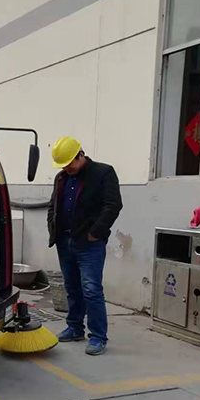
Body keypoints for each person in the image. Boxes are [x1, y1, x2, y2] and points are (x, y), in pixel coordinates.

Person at [47, 137, 123, 356]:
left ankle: (98, 336)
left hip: (89, 244)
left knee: (91, 289)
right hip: (64, 241)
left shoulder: (103, 173)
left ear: (80, 155)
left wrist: (94, 233)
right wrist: (53, 229)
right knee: (71, 287)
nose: (66, 168)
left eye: (69, 163)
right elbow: (53, 205)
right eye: (63, 165)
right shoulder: (62, 177)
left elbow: (113, 205)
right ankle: (74, 327)